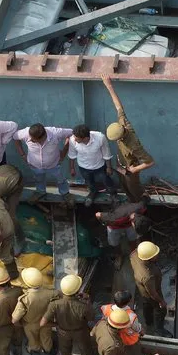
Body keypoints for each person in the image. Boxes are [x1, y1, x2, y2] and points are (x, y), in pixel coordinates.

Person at [101, 73, 155, 202]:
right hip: (121, 164)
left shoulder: (133, 145)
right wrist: (109, 85)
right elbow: (119, 107)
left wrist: (135, 169)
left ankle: (139, 201)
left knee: (133, 187)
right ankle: (131, 198)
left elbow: (150, 161)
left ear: (120, 137)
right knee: (124, 185)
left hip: (131, 167)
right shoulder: (123, 124)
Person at [41, 274, 96, 355]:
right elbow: (91, 318)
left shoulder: (54, 304)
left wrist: (56, 324)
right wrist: (88, 300)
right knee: (85, 348)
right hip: (81, 332)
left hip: (63, 331)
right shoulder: (83, 305)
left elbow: (43, 323)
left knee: (64, 348)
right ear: (78, 291)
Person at [13, 123, 73, 205]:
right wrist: (22, 154)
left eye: (34, 140)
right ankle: (40, 192)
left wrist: (64, 152)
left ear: (43, 137)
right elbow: (15, 137)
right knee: (39, 179)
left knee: (61, 180)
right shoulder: (25, 133)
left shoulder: (55, 133)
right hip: (34, 165)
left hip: (54, 165)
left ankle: (65, 193)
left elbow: (71, 133)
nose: (31, 140)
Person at [12, 268, 58, 355]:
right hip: (46, 322)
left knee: (32, 340)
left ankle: (35, 352)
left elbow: (14, 320)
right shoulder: (51, 292)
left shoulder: (24, 300)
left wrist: (21, 325)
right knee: (46, 338)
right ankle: (48, 354)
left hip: (30, 324)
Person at [130, 242, 172, 338]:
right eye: (155, 255)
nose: (157, 254)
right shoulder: (148, 276)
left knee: (146, 304)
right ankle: (159, 329)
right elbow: (153, 294)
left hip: (141, 289)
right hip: (151, 292)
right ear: (148, 259)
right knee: (161, 310)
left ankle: (148, 321)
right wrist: (161, 301)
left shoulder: (135, 254)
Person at [69, 124, 117, 207]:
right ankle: (93, 193)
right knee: (89, 183)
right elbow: (72, 155)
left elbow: (106, 153)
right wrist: (72, 168)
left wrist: (109, 167)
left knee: (106, 180)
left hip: (100, 167)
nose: (75, 138)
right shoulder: (72, 140)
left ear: (85, 138)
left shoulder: (100, 137)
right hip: (83, 167)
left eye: (77, 137)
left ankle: (113, 194)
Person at [96, 201, 148, 269]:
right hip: (114, 226)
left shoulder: (142, 207)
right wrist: (104, 223)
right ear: (133, 222)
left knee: (133, 239)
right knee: (114, 243)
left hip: (128, 223)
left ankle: (134, 255)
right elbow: (97, 214)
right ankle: (119, 255)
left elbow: (145, 197)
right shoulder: (114, 217)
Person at [100, 291, 142, 355]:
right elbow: (137, 329)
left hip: (114, 338)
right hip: (128, 340)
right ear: (128, 302)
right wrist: (141, 330)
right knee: (135, 354)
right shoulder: (131, 316)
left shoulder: (106, 308)